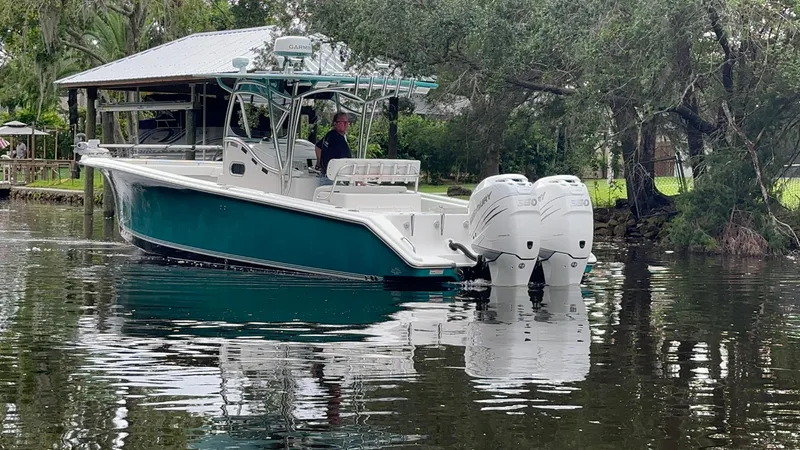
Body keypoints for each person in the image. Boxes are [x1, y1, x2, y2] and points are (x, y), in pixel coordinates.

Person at [315, 112, 351, 186]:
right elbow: (348, 161)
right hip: (333, 180)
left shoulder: (330, 134)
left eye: (347, 122)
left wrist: (319, 162)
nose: (346, 124)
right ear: (335, 123)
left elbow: (318, 147)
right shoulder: (339, 140)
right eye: (343, 122)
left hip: (325, 177)